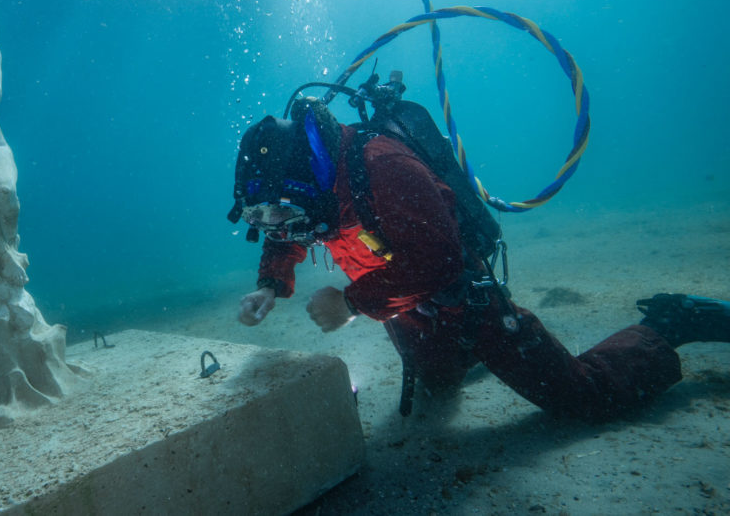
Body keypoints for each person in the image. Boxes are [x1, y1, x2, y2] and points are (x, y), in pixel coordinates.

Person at [228, 95, 730, 421]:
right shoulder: (311, 196)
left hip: (465, 300)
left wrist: (352, 304)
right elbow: (291, 228)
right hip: (407, 310)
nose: (275, 223)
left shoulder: (384, 168)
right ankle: (468, 356)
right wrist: (269, 284)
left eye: (278, 209)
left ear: (305, 177)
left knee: (581, 396)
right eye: (261, 214)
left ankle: (670, 325)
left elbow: (440, 261)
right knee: (438, 383)